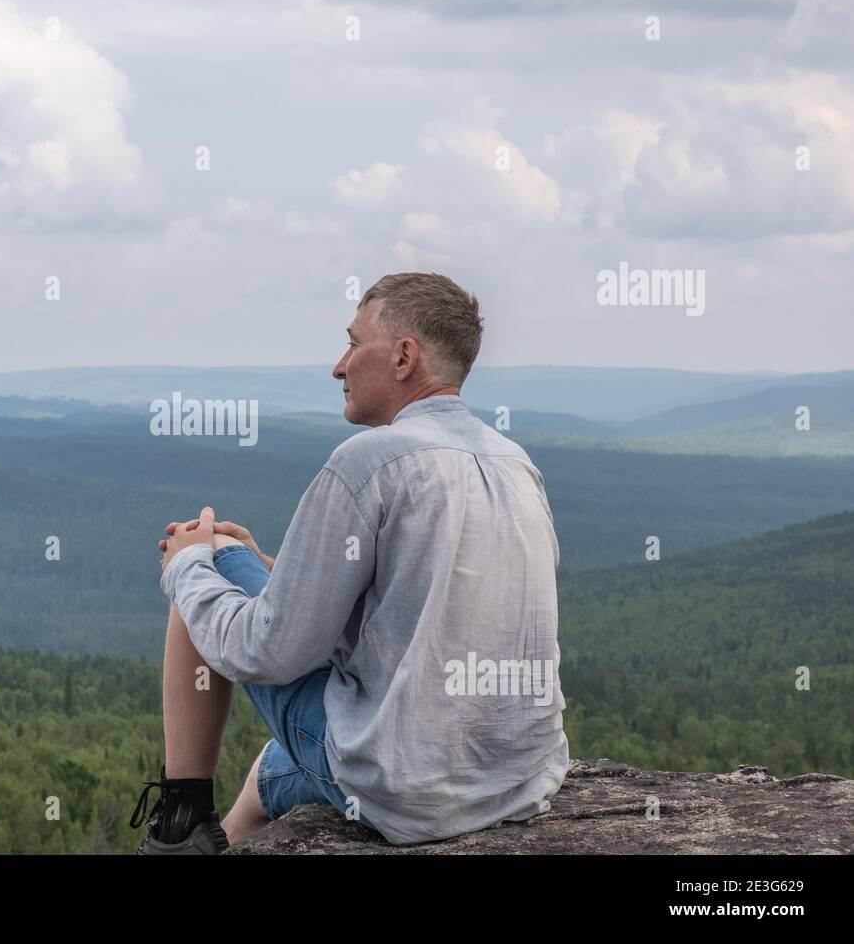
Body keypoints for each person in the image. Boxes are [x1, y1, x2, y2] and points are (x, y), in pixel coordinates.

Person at [130, 273, 569, 854]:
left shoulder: (368, 461)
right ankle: (229, 840)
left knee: (205, 556)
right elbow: (429, 604)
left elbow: (267, 653)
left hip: (406, 791)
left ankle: (180, 824)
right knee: (280, 764)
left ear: (403, 356)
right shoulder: (517, 463)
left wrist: (187, 567)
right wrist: (278, 568)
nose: (339, 366)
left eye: (353, 343)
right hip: (518, 780)